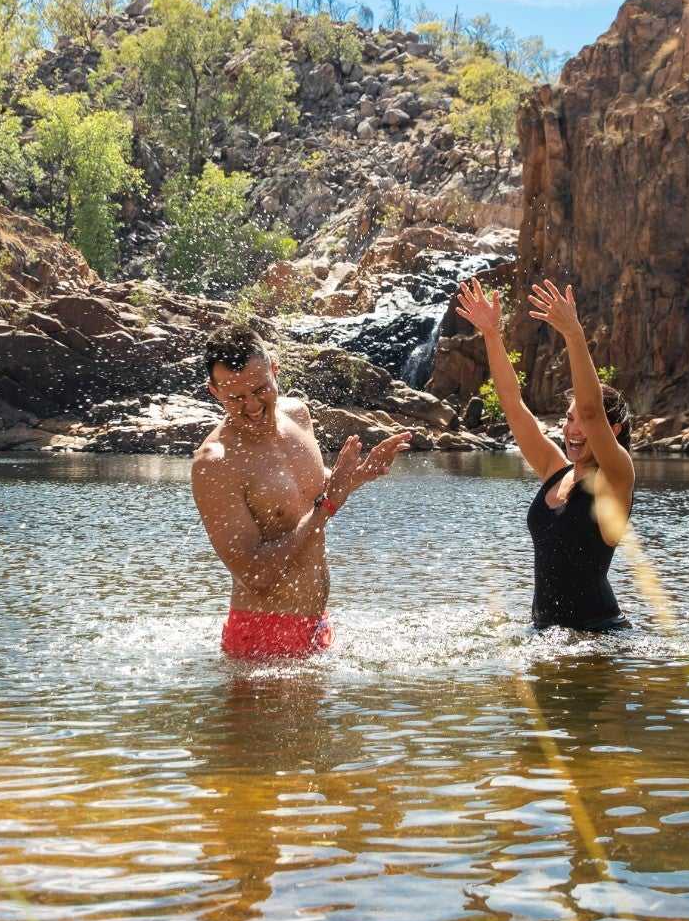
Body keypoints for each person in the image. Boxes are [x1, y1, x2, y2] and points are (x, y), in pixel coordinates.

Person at [191, 324, 410, 659]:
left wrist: (357, 474)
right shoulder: (216, 464)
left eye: (261, 389)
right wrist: (327, 506)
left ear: (274, 371)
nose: (251, 406)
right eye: (235, 398)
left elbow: (308, 489)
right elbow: (256, 575)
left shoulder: (297, 414)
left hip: (318, 624)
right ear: (214, 391)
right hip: (261, 635)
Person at [455, 277, 636, 631]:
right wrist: (492, 335)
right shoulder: (555, 468)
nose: (573, 429)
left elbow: (592, 409)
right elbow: (513, 405)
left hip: (598, 637)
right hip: (546, 635)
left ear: (612, 432)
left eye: (582, 421)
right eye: (568, 419)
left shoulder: (617, 477)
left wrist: (573, 334)